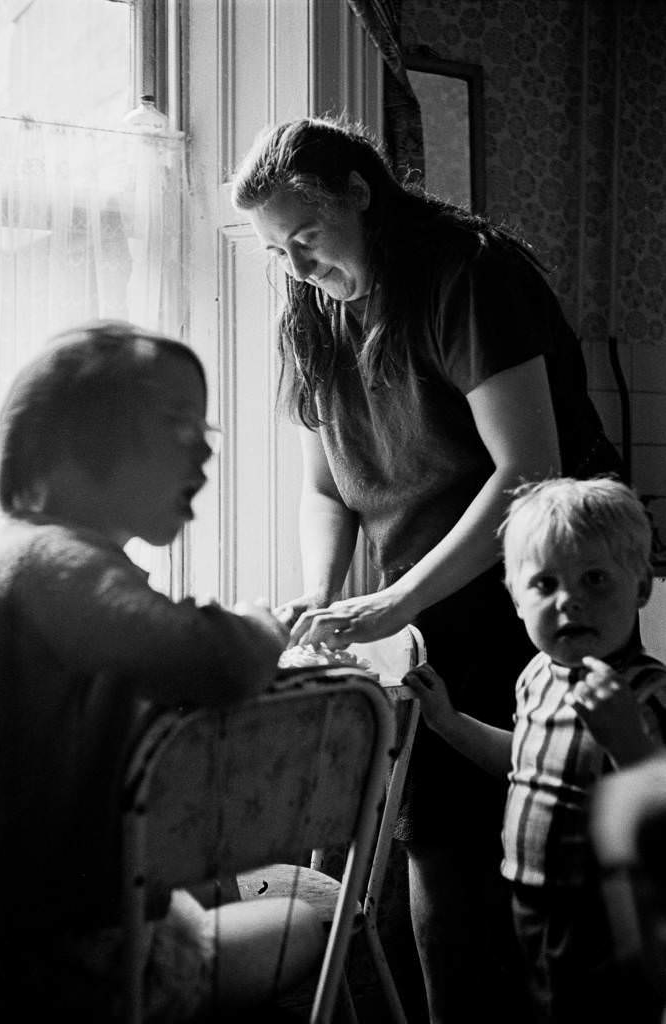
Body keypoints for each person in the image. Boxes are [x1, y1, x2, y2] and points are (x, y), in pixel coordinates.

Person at [230, 114, 624, 1021]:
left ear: (360, 194)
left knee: (523, 854)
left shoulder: (468, 275)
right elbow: (327, 489)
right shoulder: (313, 305)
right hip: (409, 610)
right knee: (418, 845)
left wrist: (397, 597)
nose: (295, 266)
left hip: (534, 593)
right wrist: (324, 595)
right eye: (275, 250)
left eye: (307, 237)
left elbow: (528, 470)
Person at [0, 320, 325, 1022]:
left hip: (51, 931)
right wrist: (263, 625)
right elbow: (216, 661)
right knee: (314, 914)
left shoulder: (27, 555)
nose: (206, 448)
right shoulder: (53, 561)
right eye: (178, 423)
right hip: (68, 964)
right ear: (80, 433)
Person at [405, 476, 666, 1024]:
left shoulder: (648, 691)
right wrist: (449, 723)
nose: (569, 599)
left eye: (595, 579)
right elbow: (521, 762)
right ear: (515, 599)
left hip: (609, 914)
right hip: (526, 900)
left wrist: (629, 743)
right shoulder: (535, 677)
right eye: (544, 584)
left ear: (641, 587)